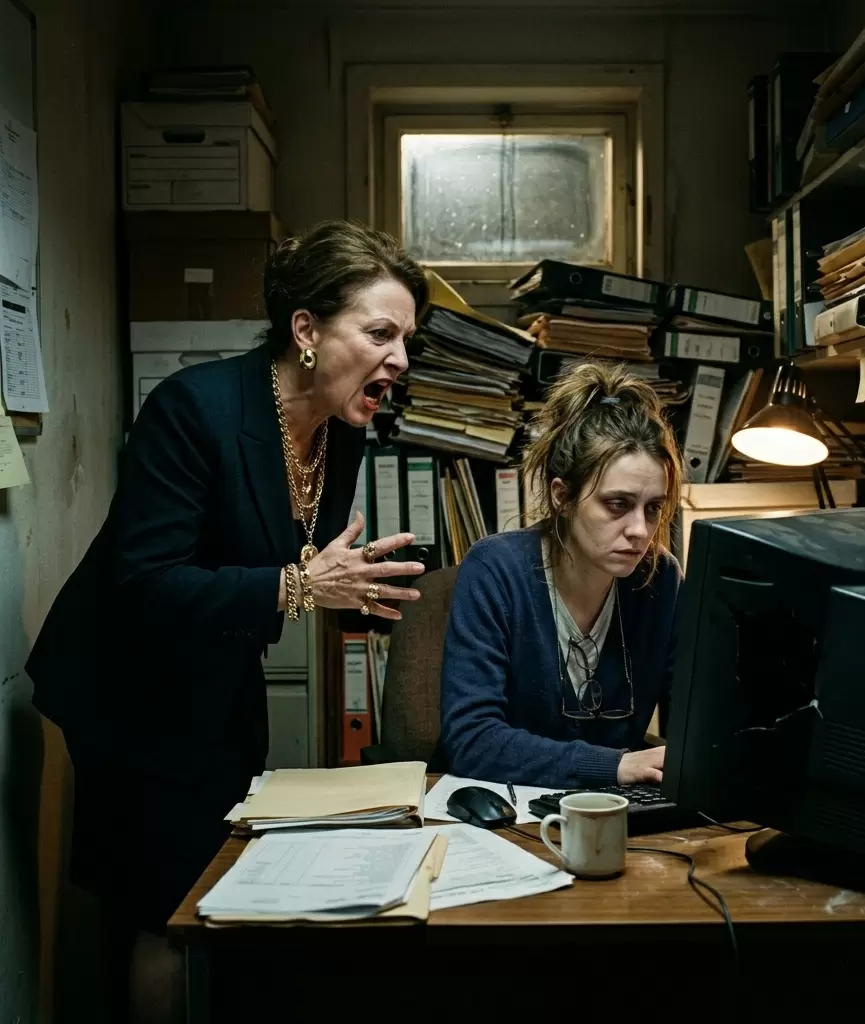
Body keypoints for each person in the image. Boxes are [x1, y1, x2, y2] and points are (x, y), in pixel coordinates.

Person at [26, 220, 428, 1022]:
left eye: (407, 340)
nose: (400, 360)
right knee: (165, 914)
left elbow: (301, 567)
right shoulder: (194, 408)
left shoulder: (343, 432)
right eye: (381, 333)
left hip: (220, 682)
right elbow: (146, 585)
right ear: (306, 330)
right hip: (128, 692)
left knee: (224, 898)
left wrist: (344, 590)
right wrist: (300, 587)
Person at [440, 362, 683, 790]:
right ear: (562, 497)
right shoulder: (496, 570)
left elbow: (697, 726)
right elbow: (471, 740)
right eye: (617, 504)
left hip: (614, 811)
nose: (639, 530)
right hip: (509, 811)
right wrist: (614, 766)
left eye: (652, 508)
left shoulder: (659, 579)